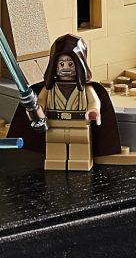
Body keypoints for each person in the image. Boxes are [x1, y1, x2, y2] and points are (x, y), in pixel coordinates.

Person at [13, 34, 117, 174]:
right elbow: (41, 101)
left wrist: (93, 111)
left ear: (79, 64)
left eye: (70, 64)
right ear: (54, 65)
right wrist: (37, 110)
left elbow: (94, 101)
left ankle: (81, 162)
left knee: (80, 148)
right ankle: (55, 162)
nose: (66, 68)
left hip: (79, 123)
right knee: (55, 148)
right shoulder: (49, 88)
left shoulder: (85, 88)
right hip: (54, 124)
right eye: (61, 64)